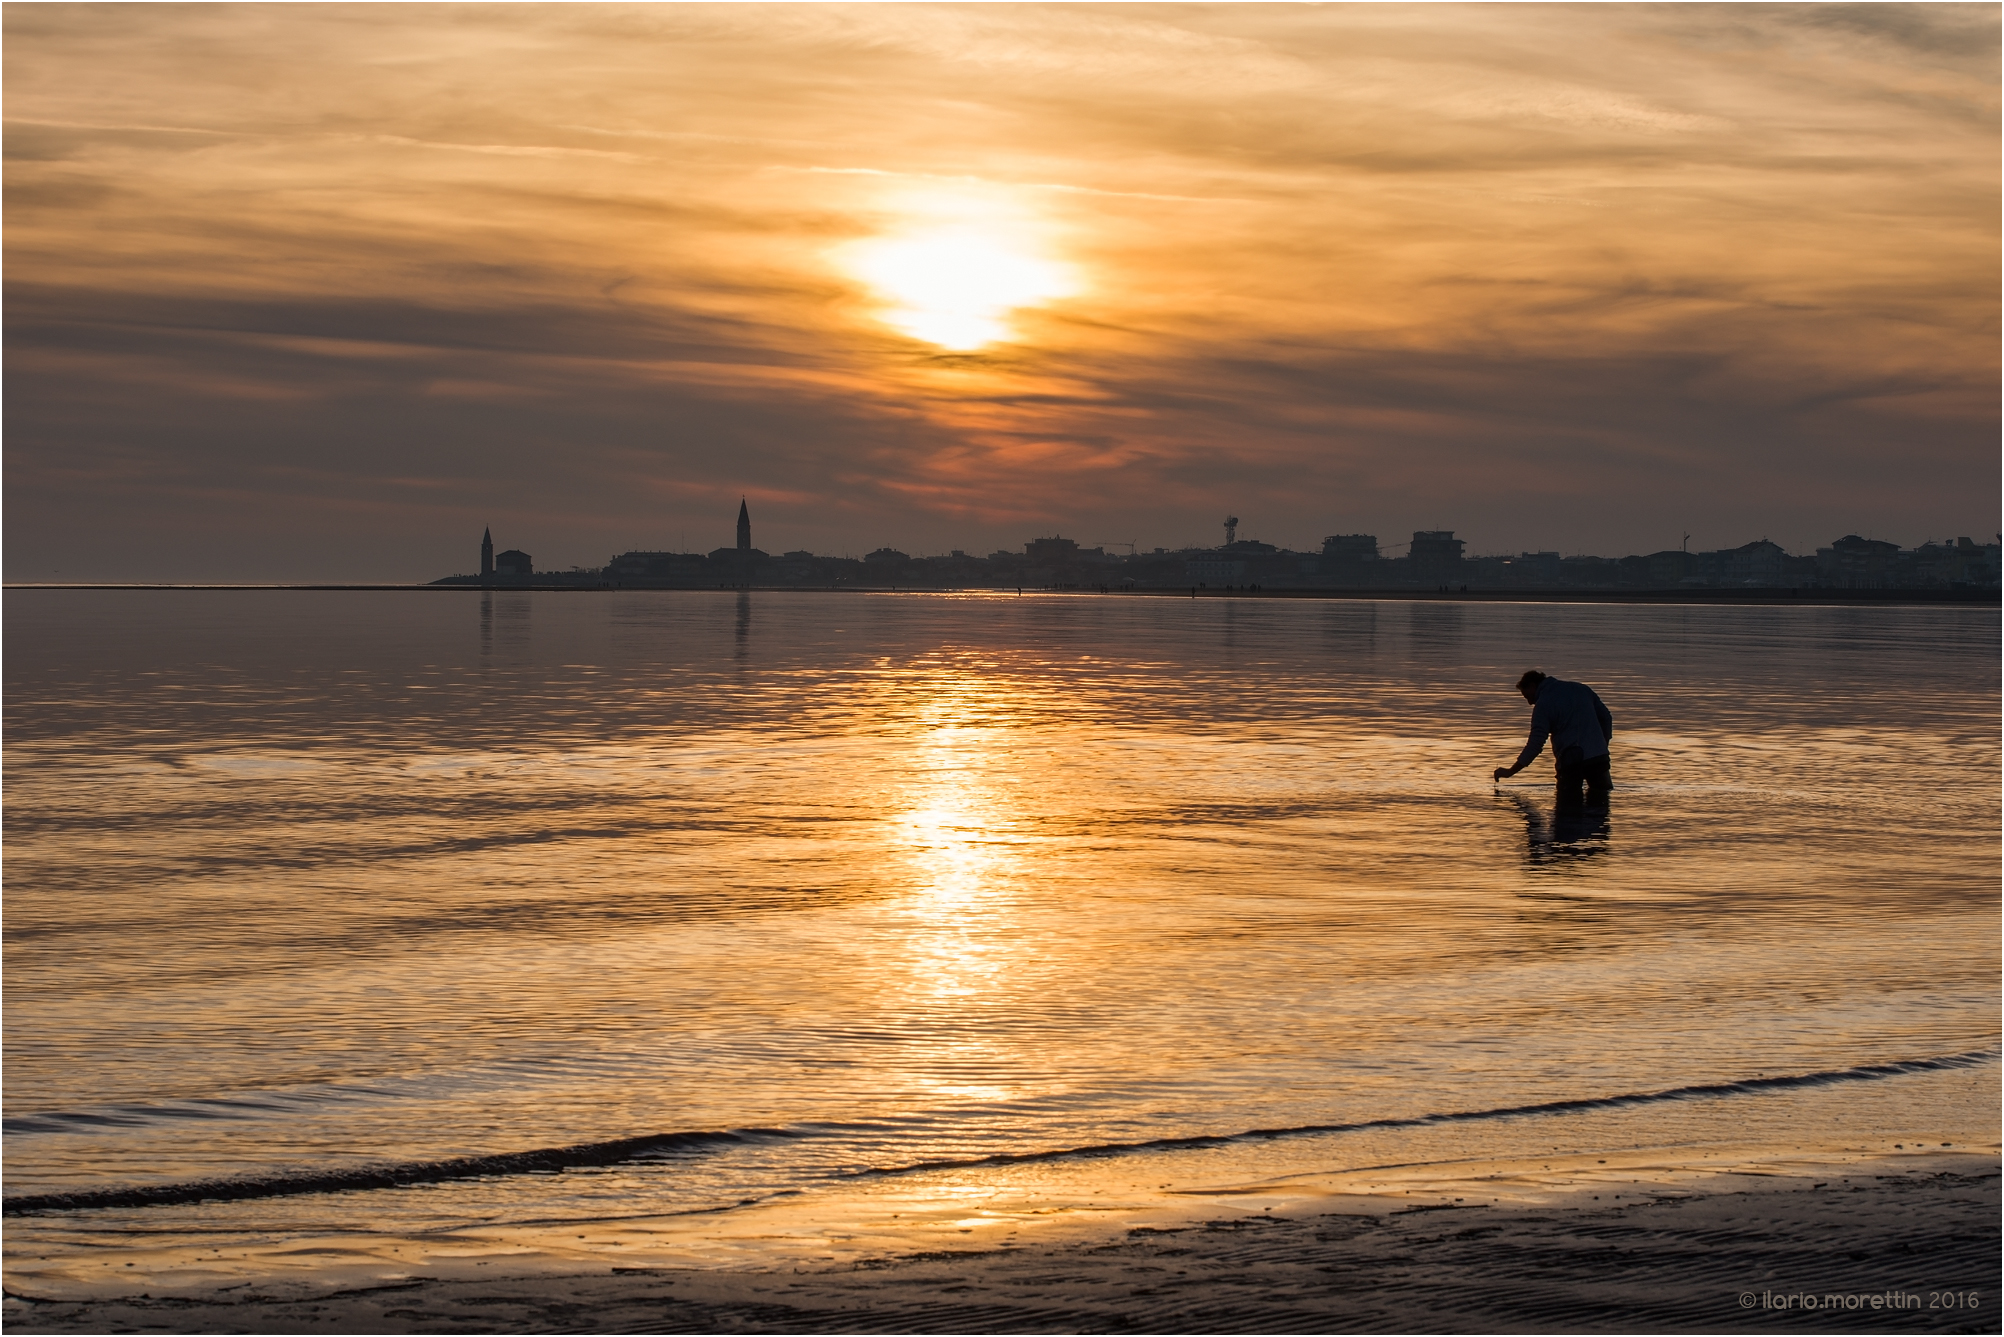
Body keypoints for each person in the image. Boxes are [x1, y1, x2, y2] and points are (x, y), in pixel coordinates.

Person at [1492, 669, 1613, 802]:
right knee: (1601, 805)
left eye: (1527, 697)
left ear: (1533, 686)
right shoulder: (1581, 689)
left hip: (1570, 762)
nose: (1530, 703)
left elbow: (1535, 744)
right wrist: (1602, 745)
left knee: (1566, 813)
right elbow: (1606, 718)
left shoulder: (1543, 704)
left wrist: (1511, 771)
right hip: (1598, 758)